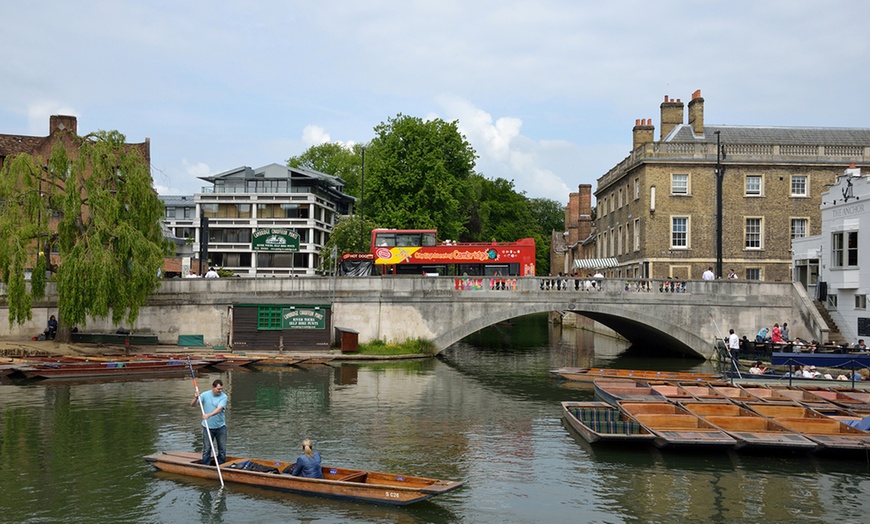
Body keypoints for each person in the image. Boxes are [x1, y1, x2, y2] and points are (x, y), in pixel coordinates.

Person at [191, 379, 228, 465]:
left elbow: (219, 409)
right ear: (213, 387)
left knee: (222, 449)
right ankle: (205, 465)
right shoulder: (205, 395)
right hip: (207, 427)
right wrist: (196, 398)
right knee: (207, 449)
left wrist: (208, 415)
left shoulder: (224, 397)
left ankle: (221, 465)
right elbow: (192, 405)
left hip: (220, 427)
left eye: (221, 388)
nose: (220, 391)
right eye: (218, 389)